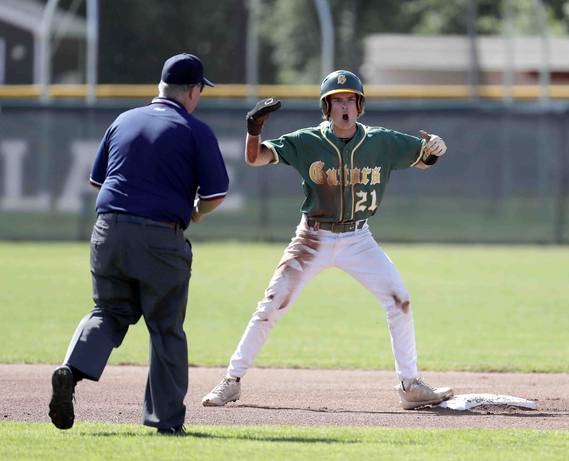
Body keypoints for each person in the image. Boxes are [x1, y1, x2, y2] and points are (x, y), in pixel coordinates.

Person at [201, 69, 453, 410]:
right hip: (312, 239)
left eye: (350, 99)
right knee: (272, 304)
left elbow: (424, 159)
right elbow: (255, 157)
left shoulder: (381, 141)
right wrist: (253, 128)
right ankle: (231, 381)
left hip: (359, 238)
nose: (344, 106)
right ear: (326, 108)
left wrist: (435, 149)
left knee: (399, 301)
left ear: (360, 105)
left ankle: (410, 386)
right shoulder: (308, 141)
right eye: (336, 101)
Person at [47, 53, 230, 435]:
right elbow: (215, 194)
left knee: (108, 312)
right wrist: (193, 212)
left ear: (161, 86)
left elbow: (98, 182)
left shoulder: (123, 121)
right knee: (165, 328)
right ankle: (165, 421)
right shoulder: (195, 130)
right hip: (160, 238)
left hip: (108, 231)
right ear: (194, 90)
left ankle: (71, 370)